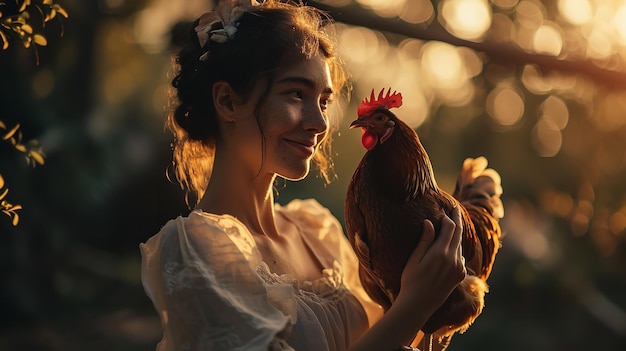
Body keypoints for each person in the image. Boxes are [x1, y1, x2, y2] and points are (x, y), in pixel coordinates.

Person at [140, 1, 466, 350]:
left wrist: (434, 293)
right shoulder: (196, 251)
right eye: (297, 94)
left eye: (324, 101)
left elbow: (392, 336)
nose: (321, 122)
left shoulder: (317, 232)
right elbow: (402, 320)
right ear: (228, 101)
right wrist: (415, 304)